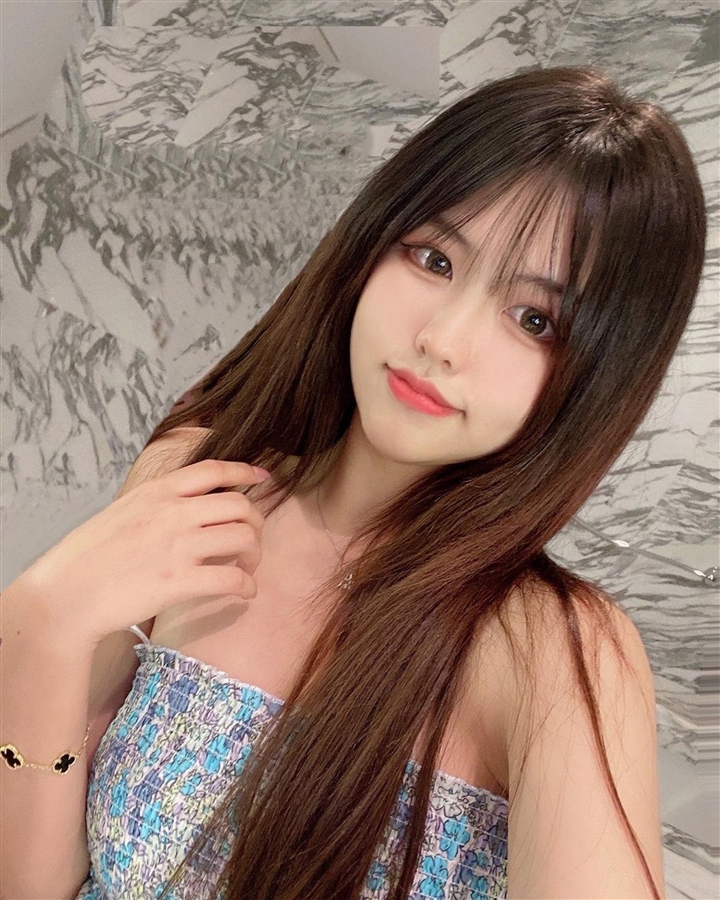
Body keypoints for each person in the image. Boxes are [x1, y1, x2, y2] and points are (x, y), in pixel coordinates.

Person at [0, 65, 706, 900]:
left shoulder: (549, 651)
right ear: (373, 243)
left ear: (599, 374)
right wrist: (38, 628)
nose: (443, 339)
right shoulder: (203, 483)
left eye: (534, 319)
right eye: (435, 258)